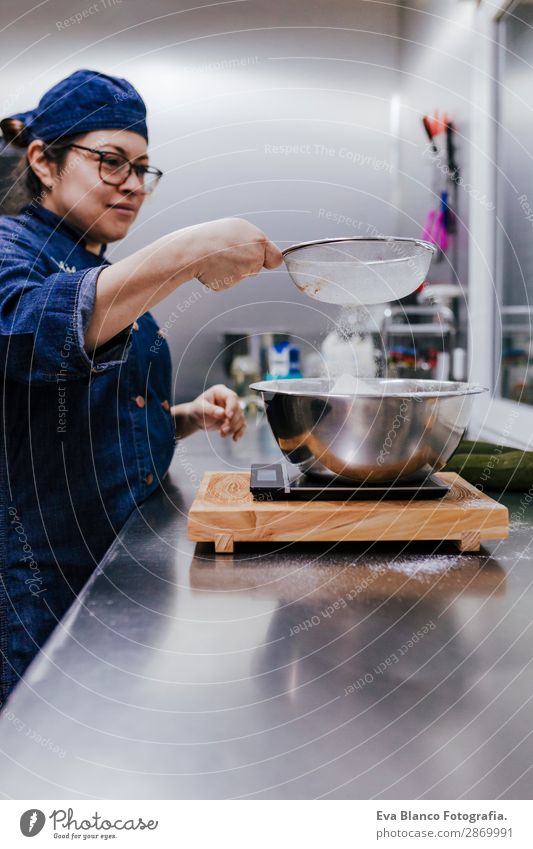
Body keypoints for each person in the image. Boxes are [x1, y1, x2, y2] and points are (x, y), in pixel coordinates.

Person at [0, 69, 283, 706]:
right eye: (111, 161)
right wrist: (189, 251)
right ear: (44, 161)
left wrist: (179, 416)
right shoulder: (11, 250)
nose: (132, 184)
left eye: (143, 168)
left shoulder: (94, 266)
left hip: (111, 565)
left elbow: (75, 407)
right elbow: (27, 333)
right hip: (38, 582)